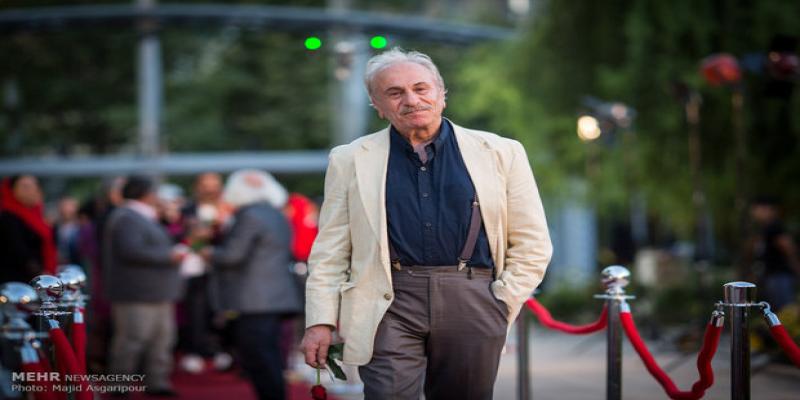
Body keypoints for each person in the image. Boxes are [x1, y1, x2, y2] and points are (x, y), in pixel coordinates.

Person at [301, 48, 552, 399]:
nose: (411, 99)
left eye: (421, 88)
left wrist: (502, 300)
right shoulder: (349, 159)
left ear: (441, 94)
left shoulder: (501, 151)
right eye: (395, 92)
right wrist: (320, 320)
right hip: (388, 301)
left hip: (474, 297)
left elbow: (532, 240)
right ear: (377, 105)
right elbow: (330, 250)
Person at [203, 169, 302, 400]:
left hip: (254, 298)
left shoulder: (249, 215)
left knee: (258, 356)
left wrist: (210, 253)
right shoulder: (275, 213)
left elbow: (232, 255)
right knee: (270, 354)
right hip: (274, 294)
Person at [103, 175, 188, 396]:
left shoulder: (142, 216)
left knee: (162, 339)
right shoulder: (126, 217)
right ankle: (119, 386)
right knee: (132, 340)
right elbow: (131, 250)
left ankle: (157, 381)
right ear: (146, 194)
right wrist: (169, 256)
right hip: (136, 292)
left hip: (156, 290)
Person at [743, 196, 800, 311]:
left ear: (769, 209)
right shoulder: (765, 229)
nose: (755, 213)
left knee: (786, 310)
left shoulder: (775, 227)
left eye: (758, 209)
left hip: (779, 276)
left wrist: (796, 267)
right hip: (771, 277)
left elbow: (788, 248)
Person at [0, 175, 58, 283]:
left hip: (39, 277)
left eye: (34, 186)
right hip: (19, 281)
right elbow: (19, 250)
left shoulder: (38, 214)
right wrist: (40, 272)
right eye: (25, 186)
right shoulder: (9, 217)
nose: (31, 190)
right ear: (13, 190)